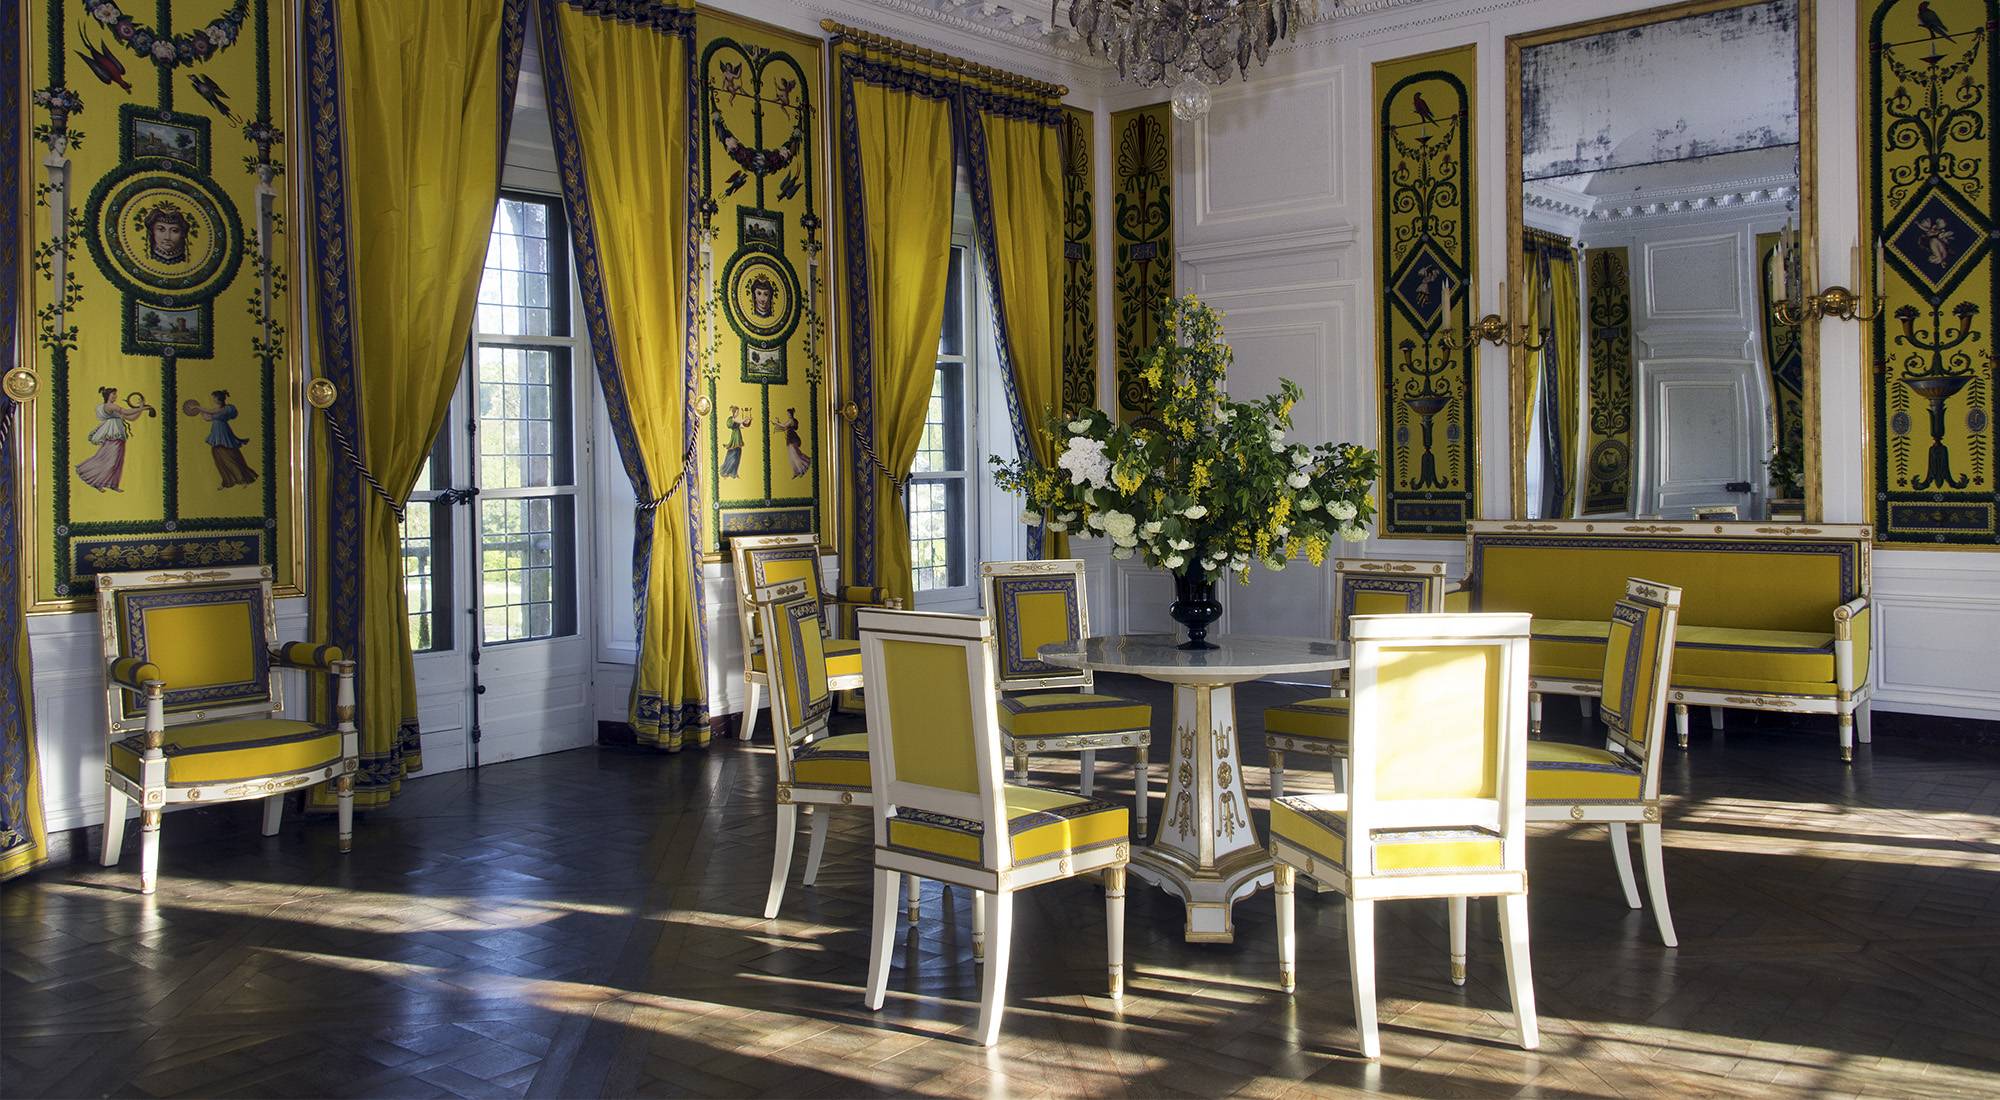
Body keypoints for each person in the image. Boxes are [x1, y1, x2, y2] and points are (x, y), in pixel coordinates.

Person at [75, 387, 148, 492]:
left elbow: (131, 418)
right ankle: (95, 480)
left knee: (118, 461)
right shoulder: (110, 406)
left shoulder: (114, 410)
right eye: (113, 394)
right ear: (107, 396)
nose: (115, 396)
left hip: (119, 436)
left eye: (115, 394)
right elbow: (126, 411)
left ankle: (113, 484)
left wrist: (141, 408)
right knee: (110, 461)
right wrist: (141, 408)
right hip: (113, 435)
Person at [187, 389, 258, 488]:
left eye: (214, 397)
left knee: (228, 456)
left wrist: (197, 407)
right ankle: (228, 481)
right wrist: (199, 411)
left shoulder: (225, 409)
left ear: (218, 399)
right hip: (217, 434)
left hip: (223, 433)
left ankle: (243, 479)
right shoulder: (218, 410)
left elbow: (210, 412)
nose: (212, 399)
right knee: (218, 455)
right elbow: (208, 417)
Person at [774, 406, 810, 477]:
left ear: (790, 414)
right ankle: (797, 470)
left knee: (794, 454)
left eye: (788, 413)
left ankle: (802, 467)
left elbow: (784, 426)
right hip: (790, 437)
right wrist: (777, 422)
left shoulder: (791, 421)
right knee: (792, 455)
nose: (787, 415)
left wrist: (776, 423)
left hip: (792, 438)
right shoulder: (791, 420)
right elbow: (784, 427)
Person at [719, 405, 748, 478]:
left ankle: (734, 473)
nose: (738, 413)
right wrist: (745, 419)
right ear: (734, 412)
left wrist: (748, 421)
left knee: (738, 454)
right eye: (737, 412)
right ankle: (726, 471)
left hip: (738, 436)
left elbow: (742, 426)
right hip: (735, 437)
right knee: (733, 455)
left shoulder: (736, 420)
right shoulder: (732, 419)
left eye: (738, 412)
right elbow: (739, 421)